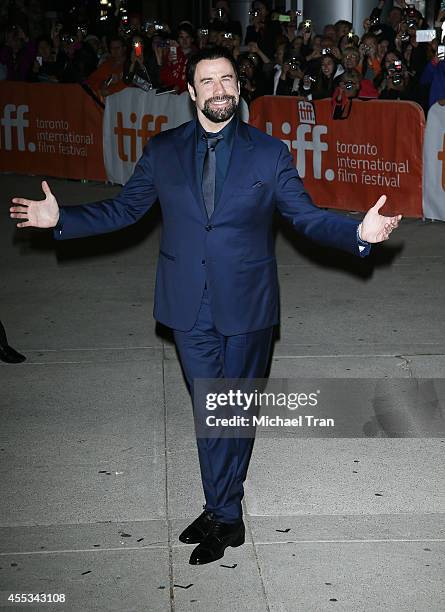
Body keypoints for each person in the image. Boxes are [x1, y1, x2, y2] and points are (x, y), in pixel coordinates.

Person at [10, 46, 401, 566]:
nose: (220, 89)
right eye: (208, 81)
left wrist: (358, 231)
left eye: (228, 79)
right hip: (186, 302)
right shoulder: (163, 150)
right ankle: (224, 508)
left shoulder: (268, 153)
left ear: (239, 88)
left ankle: (225, 514)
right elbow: (126, 210)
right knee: (211, 412)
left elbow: (305, 217)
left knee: (229, 415)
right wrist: (63, 219)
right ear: (191, 92)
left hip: (248, 307)